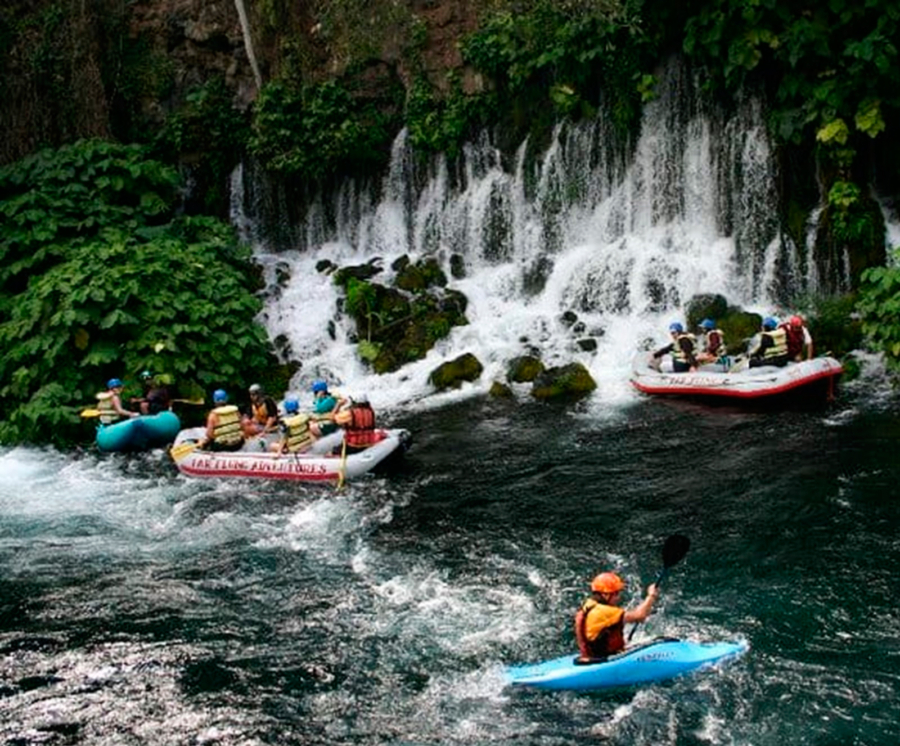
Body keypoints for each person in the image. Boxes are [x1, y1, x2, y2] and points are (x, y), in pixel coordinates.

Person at [574, 572, 659, 663]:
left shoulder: (589, 605)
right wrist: (651, 595)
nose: (618, 597)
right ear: (605, 595)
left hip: (592, 656)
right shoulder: (603, 612)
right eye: (616, 593)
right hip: (605, 659)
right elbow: (640, 615)